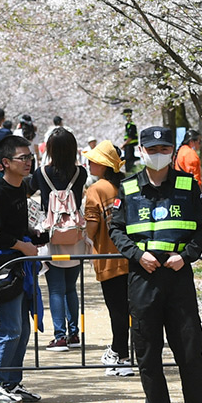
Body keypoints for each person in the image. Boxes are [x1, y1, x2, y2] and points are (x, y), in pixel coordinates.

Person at [109, 125, 202, 403]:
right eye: (152, 150)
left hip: (177, 275)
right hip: (143, 278)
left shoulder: (187, 186)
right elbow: (115, 228)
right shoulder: (128, 188)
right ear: (141, 151)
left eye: (164, 150)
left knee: (189, 348)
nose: (158, 155)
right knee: (147, 348)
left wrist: (185, 256)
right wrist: (135, 254)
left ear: (172, 151)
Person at [0, 134, 45, 403]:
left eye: (30, 157)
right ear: (5, 162)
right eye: (23, 158)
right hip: (5, 267)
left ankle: (12, 382)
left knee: (23, 329)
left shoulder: (21, 187)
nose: (28, 162)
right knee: (11, 329)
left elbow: (18, 228)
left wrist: (39, 236)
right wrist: (22, 245)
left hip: (21, 265)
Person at [27, 127, 88, 351]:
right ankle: (74, 334)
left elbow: (27, 191)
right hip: (76, 236)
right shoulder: (81, 173)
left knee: (55, 289)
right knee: (71, 288)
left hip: (52, 235)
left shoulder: (41, 173)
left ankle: (59, 336)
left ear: (50, 149)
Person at [83, 141, 133, 375]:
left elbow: (92, 227)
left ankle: (121, 357)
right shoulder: (123, 185)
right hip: (132, 256)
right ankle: (127, 352)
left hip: (109, 257)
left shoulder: (96, 189)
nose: (89, 163)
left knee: (117, 310)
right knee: (130, 309)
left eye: (93, 160)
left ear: (103, 164)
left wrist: (83, 232)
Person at [122, 108, 138, 174]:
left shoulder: (131, 125)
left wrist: (123, 144)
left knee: (129, 162)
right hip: (127, 146)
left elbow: (130, 137)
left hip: (130, 147)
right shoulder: (127, 125)